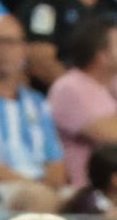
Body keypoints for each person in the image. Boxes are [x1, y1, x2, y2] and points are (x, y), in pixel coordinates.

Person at [0, 14, 65, 188]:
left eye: (11, 43)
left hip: (43, 189)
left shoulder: (38, 103)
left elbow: (56, 162)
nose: (4, 50)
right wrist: (35, 189)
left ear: (24, 49)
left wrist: (48, 188)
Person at [47, 16, 117, 192]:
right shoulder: (69, 88)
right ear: (102, 55)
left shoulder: (110, 84)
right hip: (85, 192)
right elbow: (111, 135)